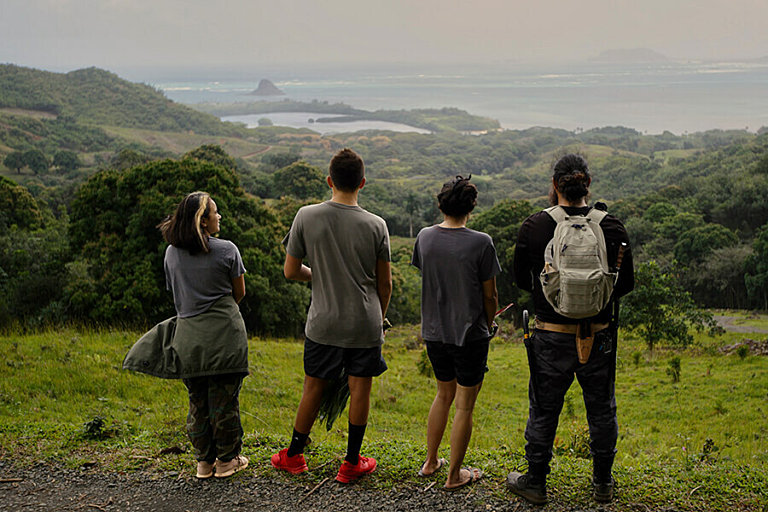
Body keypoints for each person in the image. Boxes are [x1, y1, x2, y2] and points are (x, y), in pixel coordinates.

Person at [508, 154, 634, 504]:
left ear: (555, 186)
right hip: (599, 334)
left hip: (550, 334)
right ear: (587, 185)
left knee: (545, 409)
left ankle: (535, 480)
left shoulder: (534, 227)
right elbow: (625, 285)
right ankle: (603, 483)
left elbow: (522, 280)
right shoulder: (612, 227)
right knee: (601, 408)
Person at [270, 148, 392, 483]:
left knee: (313, 387)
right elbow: (385, 285)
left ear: (329, 180)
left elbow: (291, 271)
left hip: (323, 322)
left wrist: (320, 274)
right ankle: (352, 462)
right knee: (360, 390)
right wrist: (379, 321)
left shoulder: (306, 216)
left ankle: (293, 455)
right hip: (365, 323)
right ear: (362, 183)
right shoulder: (376, 225)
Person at [123, 191, 249, 479]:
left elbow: (178, 294)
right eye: (214, 213)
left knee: (198, 400)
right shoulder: (228, 250)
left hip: (188, 337)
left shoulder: (171, 253)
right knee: (224, 400)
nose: (219, 217)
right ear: (202, 222)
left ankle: (204, 463)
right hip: (224, 335)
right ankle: (227, 461)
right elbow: (239, 293)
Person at [411, 175, 501, 491]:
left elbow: (433, 275)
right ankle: (454, 476)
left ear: (441, 204)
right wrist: (490, 323)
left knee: (442, 394)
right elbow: (490, 296)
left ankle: (431, 461)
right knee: (464, 404)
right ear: (471, 207)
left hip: (435, 332)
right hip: (470, 334)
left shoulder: (424, 237)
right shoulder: (481, 242)